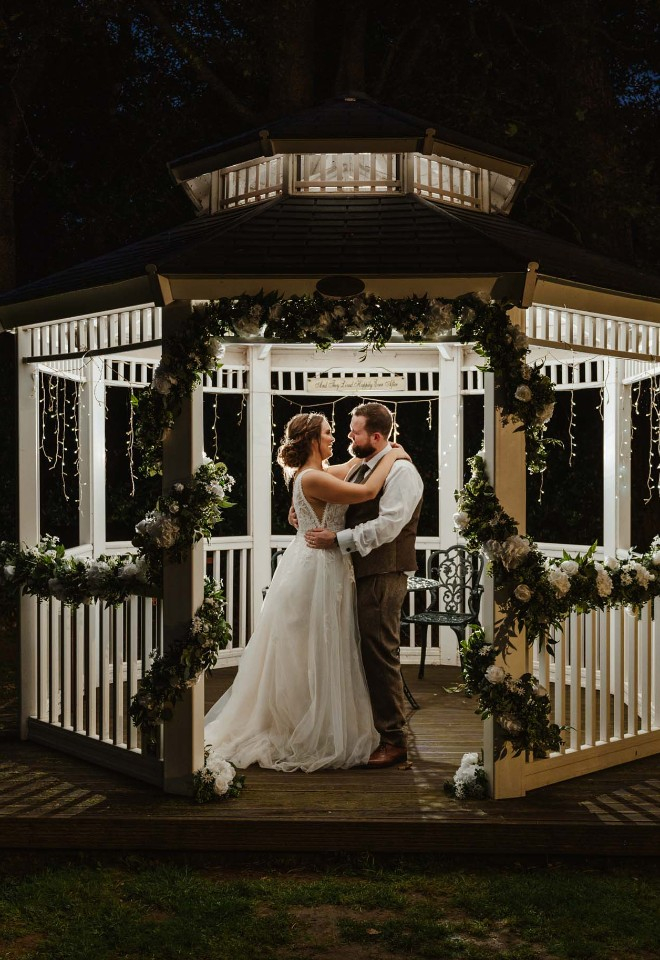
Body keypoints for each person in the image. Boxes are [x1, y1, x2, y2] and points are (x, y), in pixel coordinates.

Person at [204, 412, 409, 772]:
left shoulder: (317, 474)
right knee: (310, 645)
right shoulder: (314, 477)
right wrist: (393, 455)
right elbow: (366, 490)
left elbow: (355, 465)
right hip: (317, 569)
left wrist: (383, 449)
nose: (334, 438)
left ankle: (317, 720)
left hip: (320, 564)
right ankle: (303, 726)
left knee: (320, 644)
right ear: (313, 440)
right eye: (328, 433)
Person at [305, 402, 423, 769]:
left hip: (383, 573)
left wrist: (337, 540)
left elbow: (388, 526)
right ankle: (375, 731)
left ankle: (395, 740)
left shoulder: (401, 472)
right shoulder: (365, 466)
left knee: (379, 654)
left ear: (375, 436)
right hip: (361, 573)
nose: (348, 436)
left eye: (354, 432)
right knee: (365, 653)